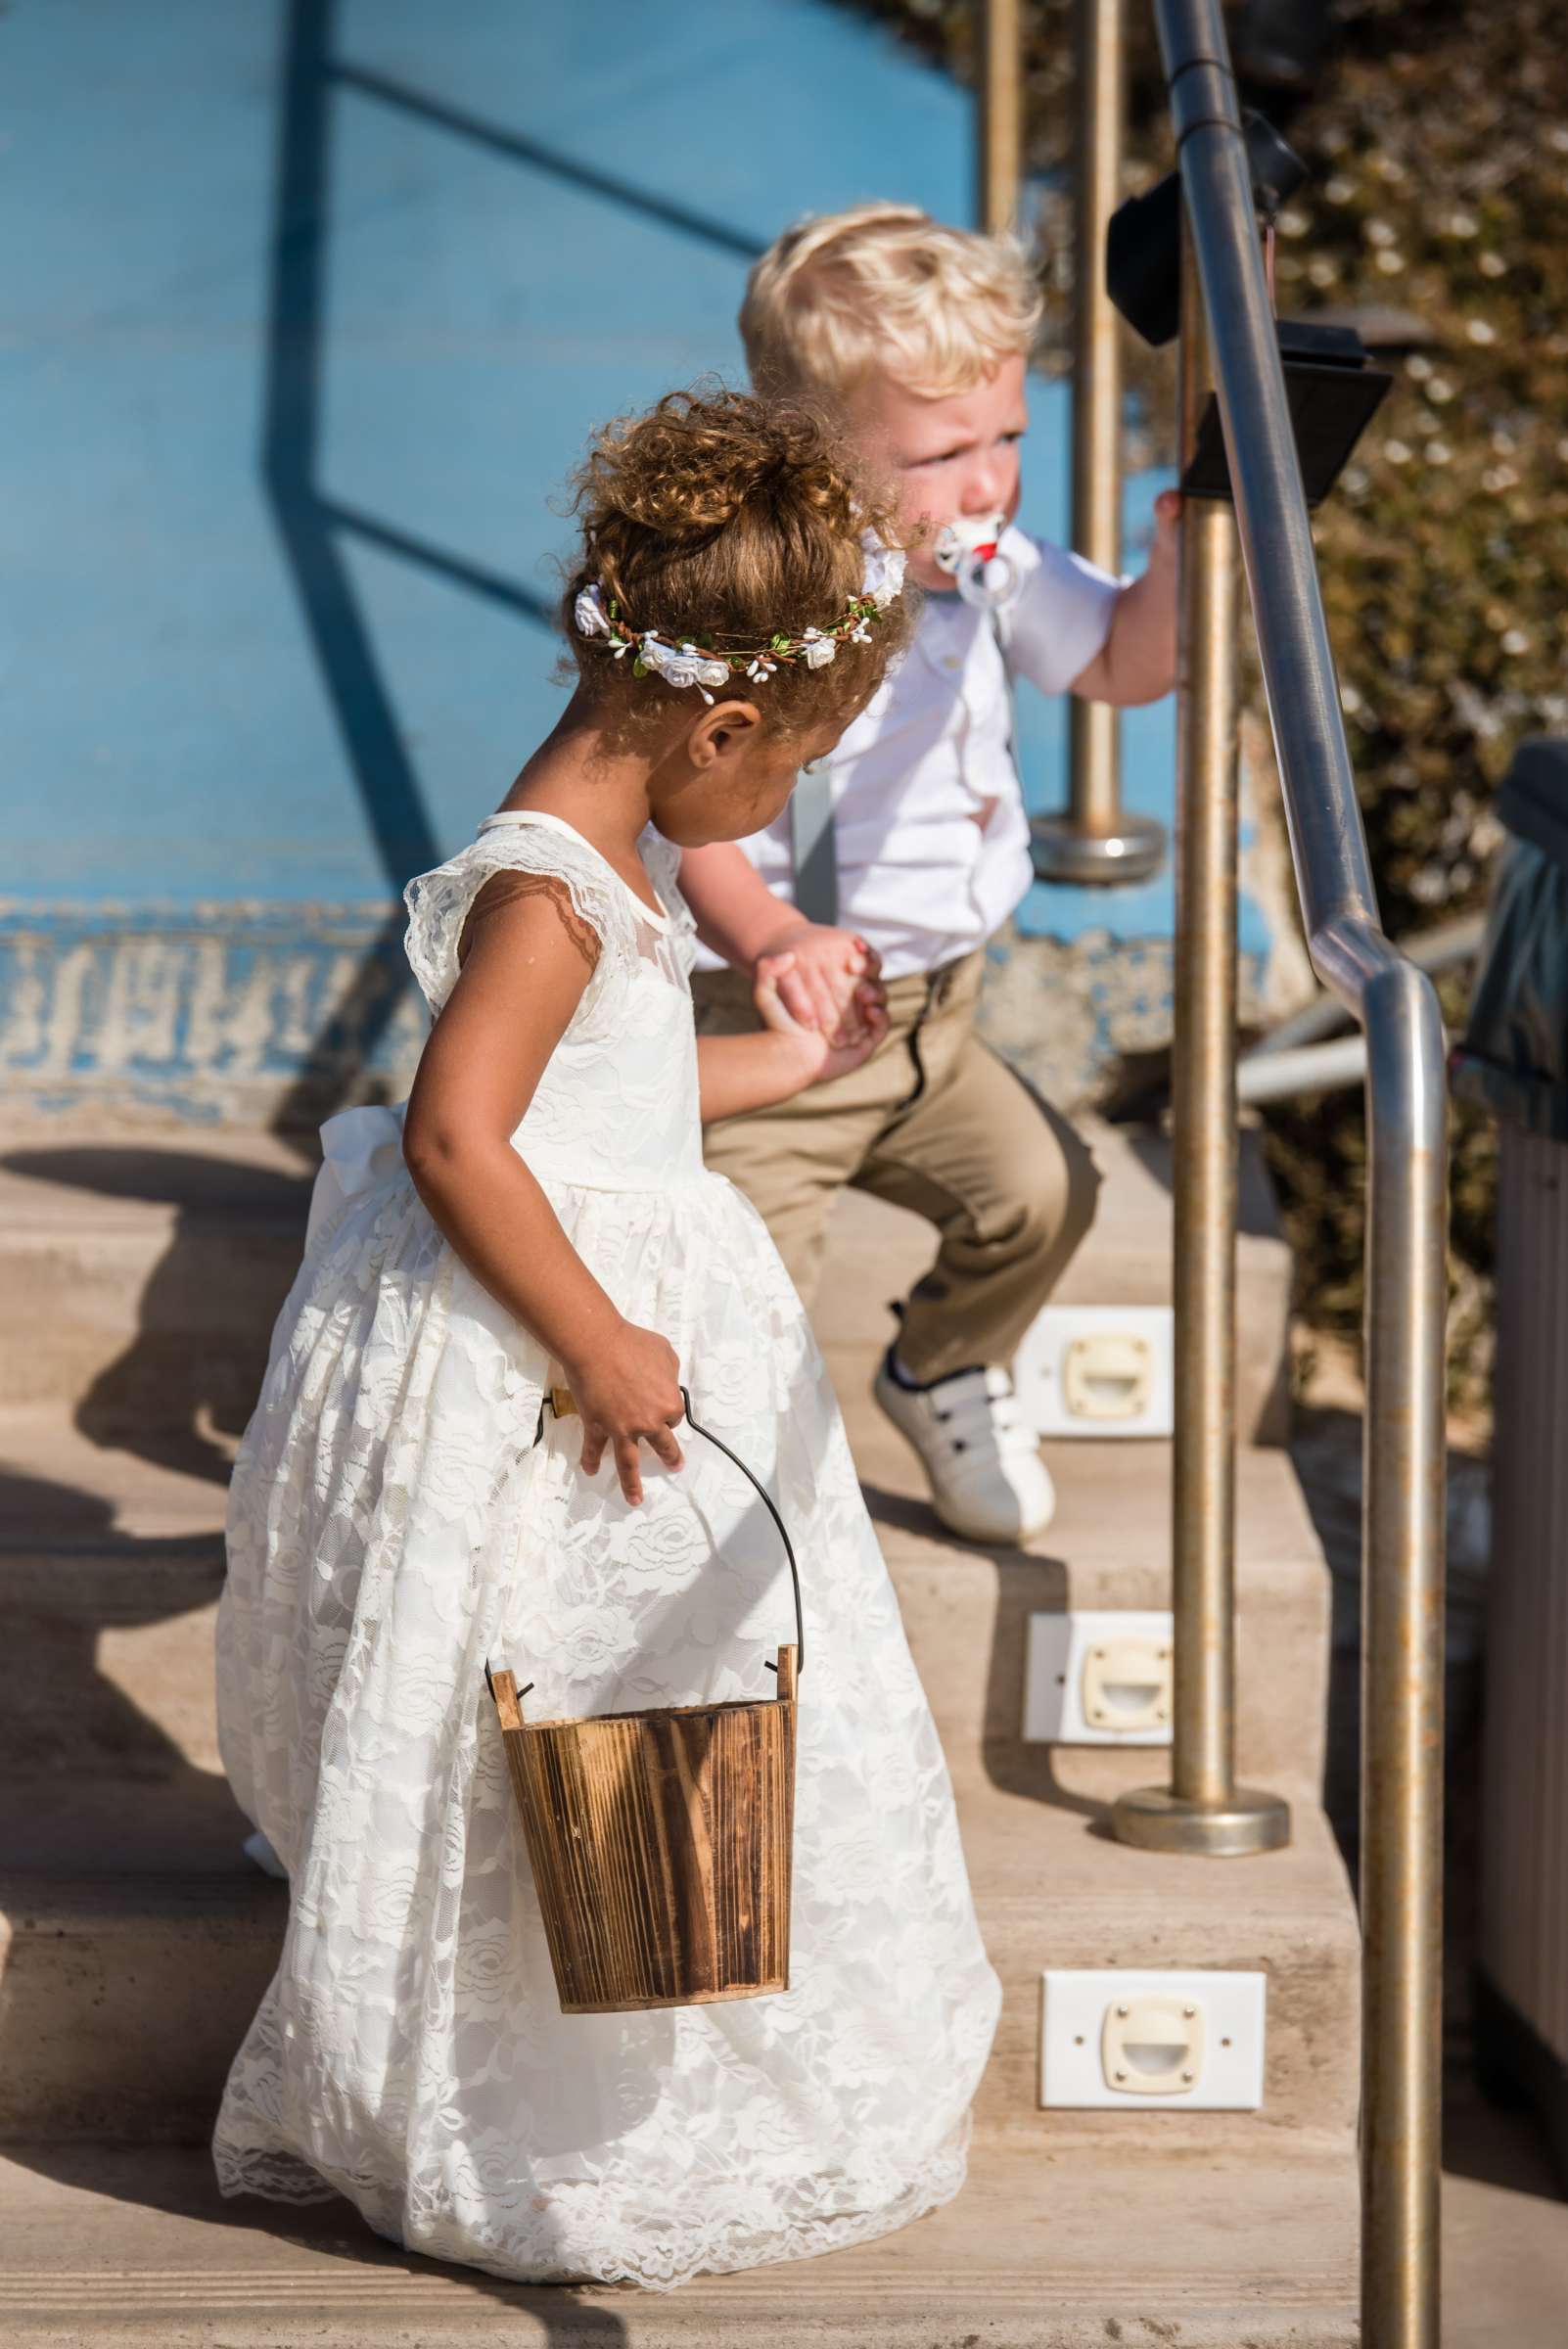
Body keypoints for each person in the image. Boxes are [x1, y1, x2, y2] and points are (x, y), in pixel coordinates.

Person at [212, 389, 1001, 2290]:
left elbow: (607, 1101)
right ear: (723, 722)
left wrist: (788, 1060)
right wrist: (600, 1342)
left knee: (646, 1716)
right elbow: (464, 1135)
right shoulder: (552, 884)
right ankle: (519, 2114)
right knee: (569, 1724)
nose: (783, 808)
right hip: (549, 1351)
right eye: (794, 767)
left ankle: (617, 2061)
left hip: (603, 1294)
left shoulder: (609, 835)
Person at [681, 204, 1179, 1545]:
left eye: (1007, 438)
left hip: (937, 1020)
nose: (987, 483)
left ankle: (942, 1367)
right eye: (942, 453)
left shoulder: (994, 569)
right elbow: (697, 827)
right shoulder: (775, 603)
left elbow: (1128, 663)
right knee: (747, 1290)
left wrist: (1186, 547)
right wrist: (774, 935)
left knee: (1041, 1196)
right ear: (815, 456)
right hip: (777, 1026)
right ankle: (732, 1503)